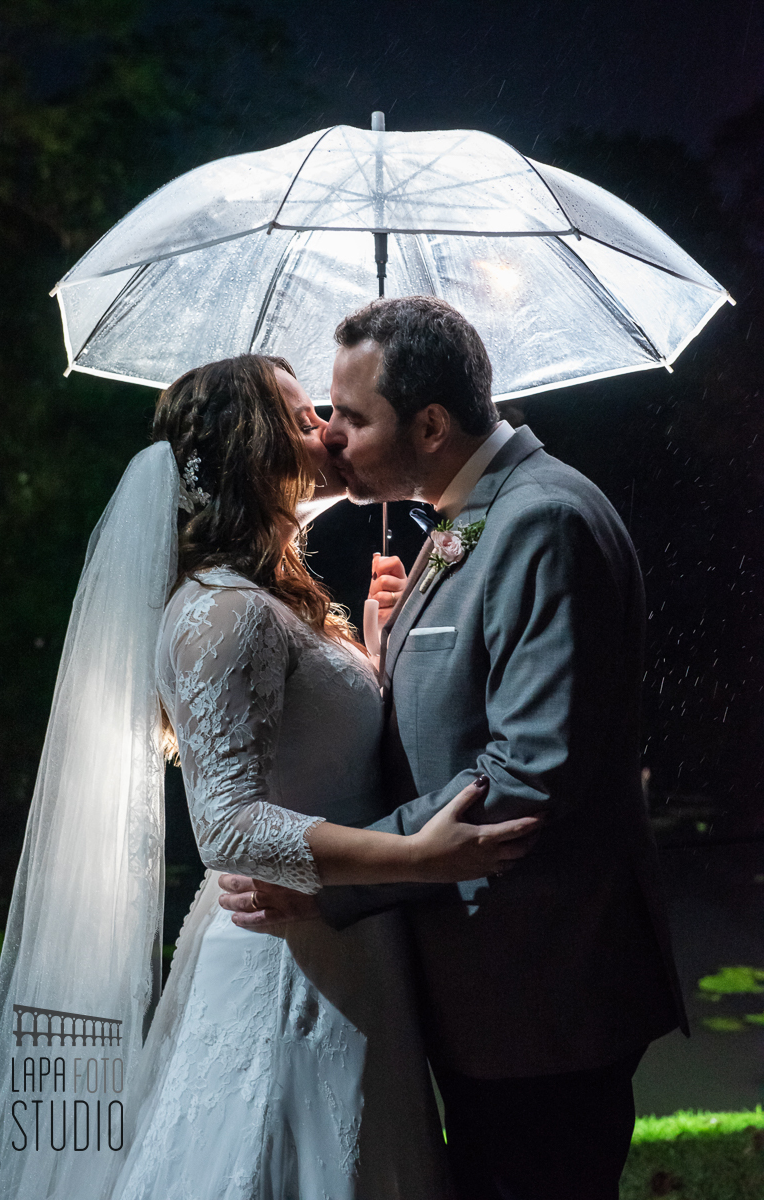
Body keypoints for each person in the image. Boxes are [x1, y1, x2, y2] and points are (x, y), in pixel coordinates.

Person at [0, 352, 540, 1200]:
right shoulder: (223, 609)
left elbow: (322, 746)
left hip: (348, 943)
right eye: (305, 418)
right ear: (253, 449)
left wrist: (380, 646)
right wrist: (419, 857)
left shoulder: (272, 597)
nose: (330, 431)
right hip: (281, 957)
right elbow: (229, 827)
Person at [219, 299, 689, 1200]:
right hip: (486, 984)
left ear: (430, 425)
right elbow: (457, 707)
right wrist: (388, 647)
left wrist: (338, 874)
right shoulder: (466, 514)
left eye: (352, 417)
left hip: (540, 985)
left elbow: (527, 773)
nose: (331, 437)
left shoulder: (541, 519)